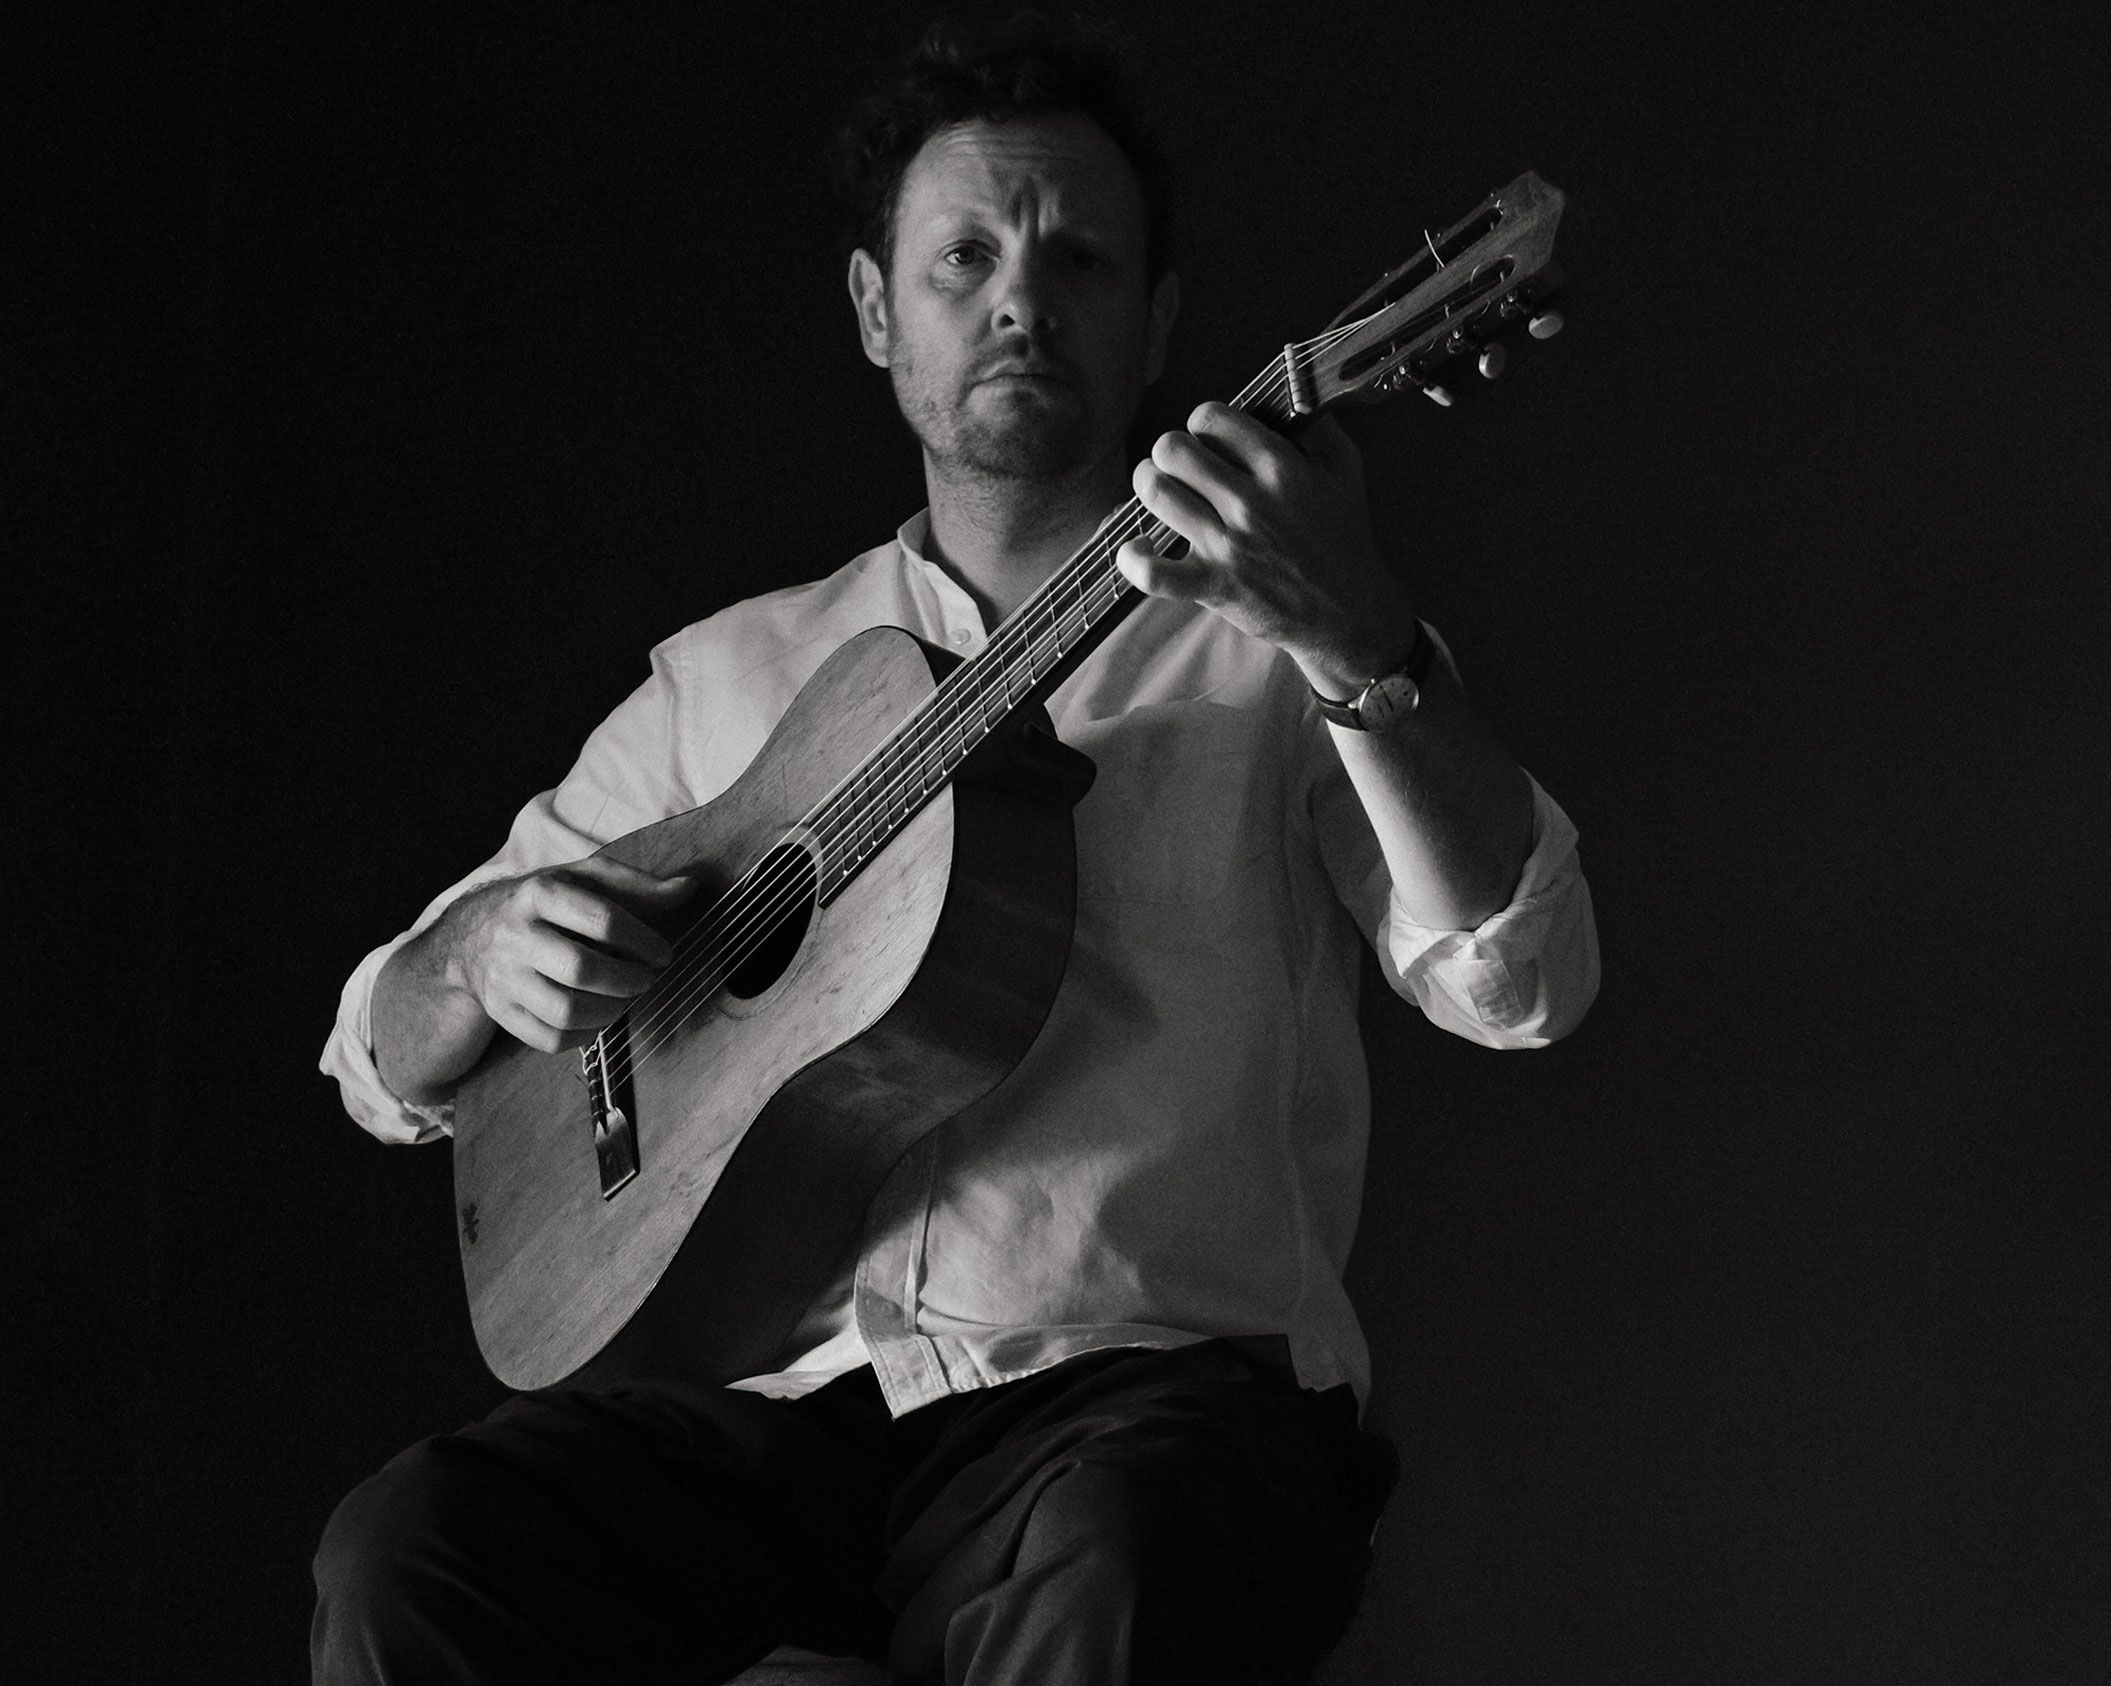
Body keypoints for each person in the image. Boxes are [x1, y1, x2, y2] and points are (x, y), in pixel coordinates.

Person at [312, 16, 1598, 1684]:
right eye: (965, 257)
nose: (1020, 300)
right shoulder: (727, 676)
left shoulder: (1283, 620)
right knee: (415, 1549)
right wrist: (479, 954)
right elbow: (379, 1057)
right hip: (780, 1421)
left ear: (1160, 322)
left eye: (1080, 259)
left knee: (1125, 1561)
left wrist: (1367, 643)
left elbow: (1527, 979)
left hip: (1137, 1399)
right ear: (877, 311)